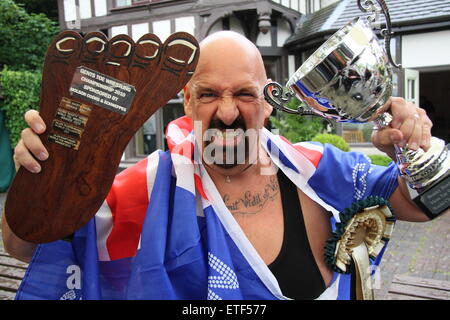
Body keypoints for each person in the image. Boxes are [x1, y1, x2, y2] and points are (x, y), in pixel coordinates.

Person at [1, 31, 443, 300]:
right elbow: (24, 245)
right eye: (210, 94)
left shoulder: (318, 172)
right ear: (188, 100)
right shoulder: (146, 188)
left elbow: (426, 202)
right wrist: (45, 177)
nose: (228, 112)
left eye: (245, 94)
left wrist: (415, 144)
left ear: (267, 102)